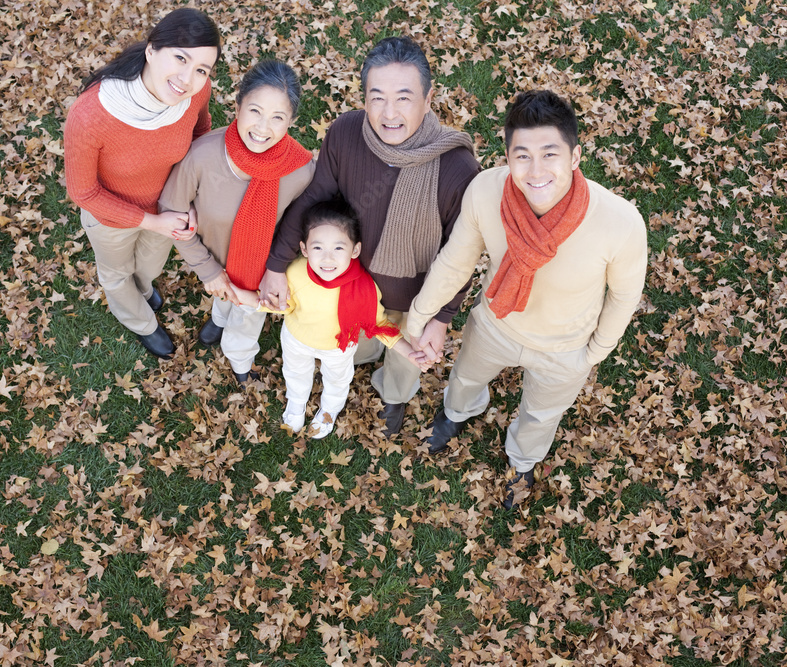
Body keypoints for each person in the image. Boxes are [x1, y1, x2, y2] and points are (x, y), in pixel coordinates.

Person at [405, 90, 648, 509]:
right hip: (496, 324)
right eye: (522, 155)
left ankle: (523, 459)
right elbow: (454, 263)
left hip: (564, 349)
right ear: (507, 154)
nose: (535, 171)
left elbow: (625, 295)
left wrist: (594, 353)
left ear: (574, 157)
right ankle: (457, 414)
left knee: (539, 416)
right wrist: (417, 320)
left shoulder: (621, 222)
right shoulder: (486, 191)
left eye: (549, 154)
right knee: (464, 379)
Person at [257, 36, 481, 437]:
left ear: (428, 99)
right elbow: (314, 200)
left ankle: (393, 398)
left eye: (404, 98)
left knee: (404, 359)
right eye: (376, 97)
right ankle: (357, 356)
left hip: (415, 300)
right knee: (355, 340)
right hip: (351, 283)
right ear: (363, 97)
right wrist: (276, 265)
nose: (388, 113)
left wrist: (442, 318)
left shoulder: (458, 169)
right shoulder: (346, 133)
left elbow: (461, 254)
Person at [63, 8, 220, 360]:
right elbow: (83, 192)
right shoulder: (91, 116)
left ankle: (145, 288)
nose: (187, 78)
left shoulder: (196, 93)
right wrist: (151, 221)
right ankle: (142, 323)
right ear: (151, 50)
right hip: (111, 217)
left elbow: (200, 134)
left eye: (201, 69)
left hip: (167, 205)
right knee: (118, 275)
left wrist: (190, 199)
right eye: (180, 58)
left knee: (149, 267)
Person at [159, 60, 315, 383]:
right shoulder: (201, 157)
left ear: (291, 121)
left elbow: (304, 224)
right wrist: (207, 269)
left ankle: (241, 365)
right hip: (215, 264)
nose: (263, 128)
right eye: (255, 111)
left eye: (278, 118)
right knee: (222, 298)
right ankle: (218, 318)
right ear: (238, 104)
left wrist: (278, 269)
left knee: (243, 327)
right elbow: (170, 213)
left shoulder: (301, 170)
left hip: (260, 274)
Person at [234, 201, 420, 438]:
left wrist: (408, 351)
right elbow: (280, 305)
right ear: (304, 249)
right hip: (297, 339)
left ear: (355, 250)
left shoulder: (364, 287)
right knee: (295, 373)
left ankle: (329, 409)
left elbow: (379, 324)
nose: (327, 258)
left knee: (338, 380)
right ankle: (296, 402)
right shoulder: (295, 273)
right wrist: (239, 296)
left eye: (339, 249)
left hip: (338, 348)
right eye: (318, 248)